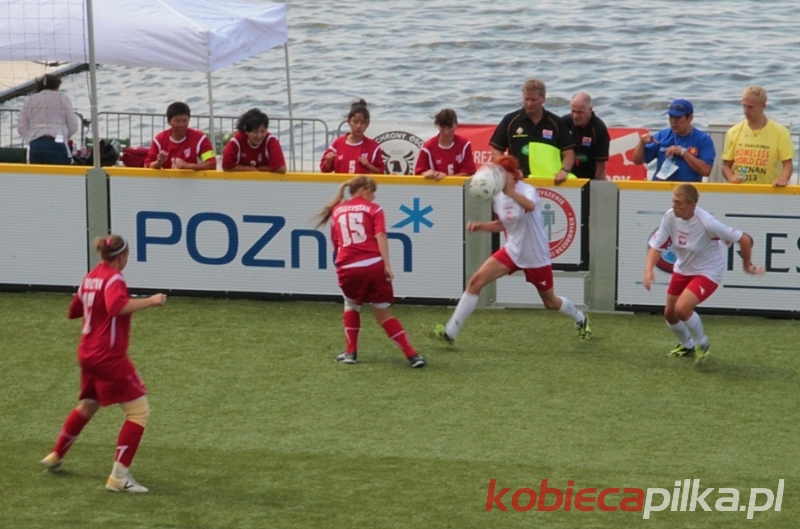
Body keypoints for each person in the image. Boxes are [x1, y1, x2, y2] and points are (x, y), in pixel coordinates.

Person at [40, 235, 167, 492]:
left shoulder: (91, 277)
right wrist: (152, 301)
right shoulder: (114, 278)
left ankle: (55, 455)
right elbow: (115, 307)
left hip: (87, 352)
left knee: (89, 404)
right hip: (107, 356)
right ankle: (119, 478)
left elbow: (74, 310)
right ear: (121, 257)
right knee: (138, 412)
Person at [428, 155, 591, 344]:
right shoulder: (497, 197)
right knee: (476, 281)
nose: (497, 177)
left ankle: (580, 318)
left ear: (513, 175)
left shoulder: (527, 190)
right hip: (513, 251)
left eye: (501, 173)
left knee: (551, 303)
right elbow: (505, 224)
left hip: (535, 256)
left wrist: (510, 191)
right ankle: (450, 332)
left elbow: (529, 206)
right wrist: (481, 226)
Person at [643, 184, 764, 364]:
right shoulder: (670, 217)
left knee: (682, 308)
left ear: (692, 205)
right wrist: (648, 270)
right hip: (683, 268)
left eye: (679, 203)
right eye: (673, 202)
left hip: (708, 271)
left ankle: (702, 343)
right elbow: (656, 245)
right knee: (670, 313)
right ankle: (688, 345)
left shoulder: (707, 222)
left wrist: (747, 265)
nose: (675, 206)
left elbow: (744, 239)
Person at [315, 176, 426, 368]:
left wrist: (342, 264)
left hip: (347, 265)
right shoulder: (374, 209)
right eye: (373, 192)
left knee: (350, 304)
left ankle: (351, 352)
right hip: (373, 264)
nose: (373, 197)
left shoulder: (337, 210)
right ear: (365, 189)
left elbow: (336, 243)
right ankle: (412, 355)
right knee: (383, 313)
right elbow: (380, 235)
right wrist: (387, 264)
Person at [489, 78, 575, 183]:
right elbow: (496, 151)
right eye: (526, 99)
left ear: (543, 99)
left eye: (533, 100)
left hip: (548, 181)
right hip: (518, 179)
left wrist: (564, 170)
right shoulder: (510, 120)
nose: (529, 103)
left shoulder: (556, 122)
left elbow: (568, 153)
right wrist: (508, 171)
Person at [721, 85, 795, 186]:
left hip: (768, 189)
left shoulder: (780, 132)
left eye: (751, 107)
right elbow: (726, 166)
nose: (746, 111)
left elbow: (788, 164)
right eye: (744, 106)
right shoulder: (733, 131)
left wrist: (783, 179)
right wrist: (731, 177)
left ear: (763, 106)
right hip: (740, 190)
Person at [632, 99, 715, 182]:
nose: (673, 121)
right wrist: (642, 143)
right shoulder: (662, 136)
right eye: (671, 117)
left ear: (690, 118)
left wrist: (683, 153)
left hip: (687, 189)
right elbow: (638, 161)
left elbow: (706, 171)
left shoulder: (703, 139)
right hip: (661, 187)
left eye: (678, 118)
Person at [17, 74, 79, 165]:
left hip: (36, 143)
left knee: (37, 176)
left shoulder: (30, 100)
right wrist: (63, 137)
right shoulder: (62, 98)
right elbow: (73, 126)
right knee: (60, 175)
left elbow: (21, 127)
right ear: (56, 86)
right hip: (57, 141)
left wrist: (32, 138)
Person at [144, 101, 217, 170]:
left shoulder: (200, 139)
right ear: (169, 122)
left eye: (185, 121)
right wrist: (158, 163)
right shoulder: (159, 140)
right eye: (177, 121)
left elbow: (212, 163)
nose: (182, 125)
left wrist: (187, 166)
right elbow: (147, 165)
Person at [320, 99, 385, 174]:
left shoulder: (373, 147)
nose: (358, 126)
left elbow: (381, 173)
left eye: (363, 123)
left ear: (367, 124)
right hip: (343, 185)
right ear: (349, 122)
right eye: (355, 122)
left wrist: (368, 165)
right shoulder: (338, 143)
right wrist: (328, 160)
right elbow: (324, 170)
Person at [414, 108, 476, 179]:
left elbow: (469, 172)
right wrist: (426, 174)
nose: (446, 132)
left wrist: (446, 178)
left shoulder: (464, 144)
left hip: (459, 187)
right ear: (438, 126)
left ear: (456, 125)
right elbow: (419, 174)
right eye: (443, 128)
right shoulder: (427, 148)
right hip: (435, 188)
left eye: (450, 127)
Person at [561, 92, 610, 180]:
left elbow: (600, 167)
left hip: (589, 178)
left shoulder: (598, 129)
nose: (575, 116)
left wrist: (597, 188)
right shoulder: (564, 123)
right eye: (573, 111)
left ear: (590, 110)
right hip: (565, 177)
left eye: (580, 112)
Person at [222, 108, 286, 173]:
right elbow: (226, 166)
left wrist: (261, 168)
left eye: (263, 131)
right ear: (246, 131)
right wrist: (251, 169)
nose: (259, 136)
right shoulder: (236, 141)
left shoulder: (271, 140)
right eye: (255, 132)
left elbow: (281, 168)